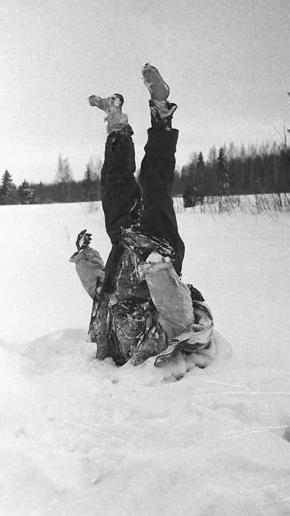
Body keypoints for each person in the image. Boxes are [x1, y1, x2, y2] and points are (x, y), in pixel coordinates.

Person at [70, 64, 216, 370]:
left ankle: (116, 125)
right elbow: (179, 315)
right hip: (158, 247)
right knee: (154, 183)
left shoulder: (109, 327)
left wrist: (84, 255)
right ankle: (161, 112)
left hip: (124, 243)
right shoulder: (164, 337)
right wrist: (159, 270)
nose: (125, 327)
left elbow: (97, 288)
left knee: (114, 184)